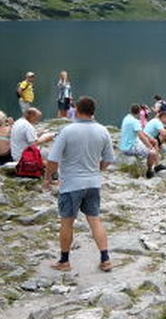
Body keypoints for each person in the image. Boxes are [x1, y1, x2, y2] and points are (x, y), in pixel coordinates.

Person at [44, 96, 116, 272]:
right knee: (95, 219)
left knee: (67, 222)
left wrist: (48, 178)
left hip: (71, 184)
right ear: (93, 112)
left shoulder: (67, 131)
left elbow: (53, 160)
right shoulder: (103, 131)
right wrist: (96, 170)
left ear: (76, 110)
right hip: (93, 183)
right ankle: (105, 259)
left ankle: (64, 261)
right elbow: (108, 159)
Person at [120, 104, 159, 178]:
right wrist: (151, 147)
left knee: (152, 142)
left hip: (126, 144)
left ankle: (156, 165)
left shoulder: (127, 117)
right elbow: (141, 137)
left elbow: (141, 132)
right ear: (139, 112)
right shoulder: (135, 121)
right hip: (129, 147)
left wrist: (149, 137)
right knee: (152, 153)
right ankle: (149, 171)